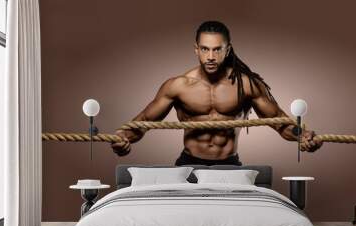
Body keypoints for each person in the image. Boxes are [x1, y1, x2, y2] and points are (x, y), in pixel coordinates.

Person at [111, 21, 323, 165]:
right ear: (196, 49)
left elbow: (280, 123)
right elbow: (144, 122)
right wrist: (122, 139)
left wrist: (302, 137)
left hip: (229, 164)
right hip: (189, 163)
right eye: (205, 49)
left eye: (217, 49)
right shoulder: (178, 86)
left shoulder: (247, 85)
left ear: (227, 49)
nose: (210, 56)